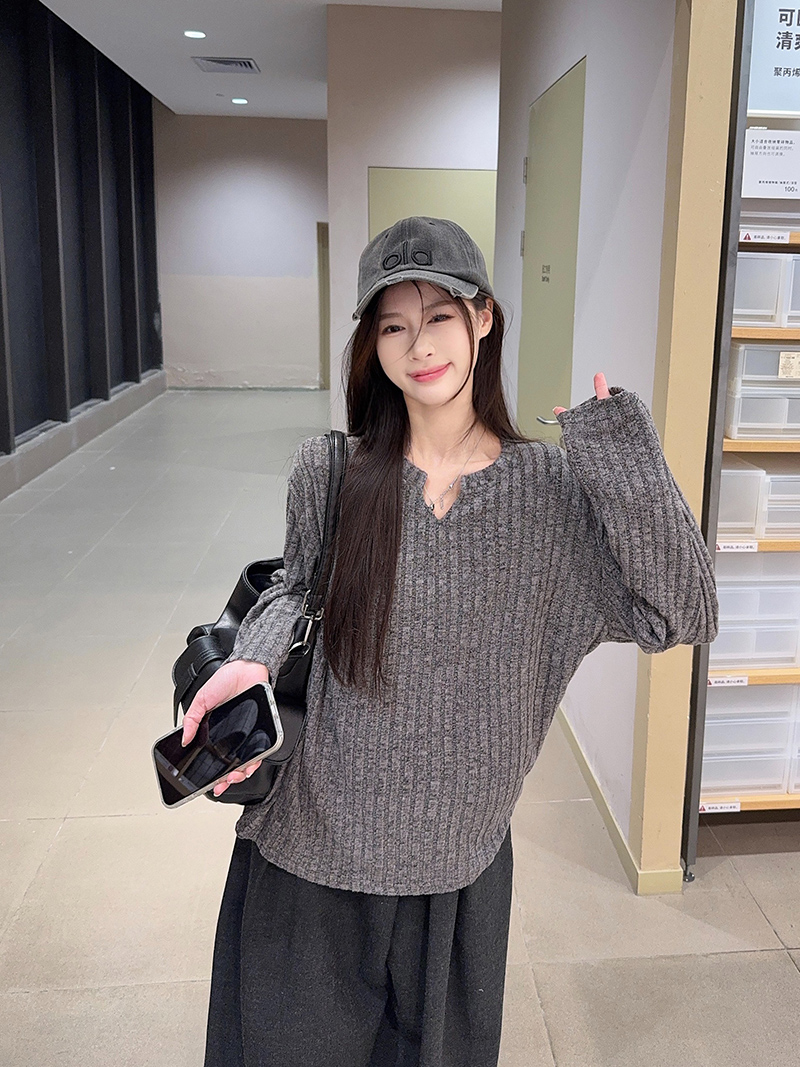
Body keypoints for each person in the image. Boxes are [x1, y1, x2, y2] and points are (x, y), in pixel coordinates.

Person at [182, 216, 719, 1067]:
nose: (419, 345)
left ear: (484, 318)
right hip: (309, 854)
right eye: (393, 325)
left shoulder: (549, 494)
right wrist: (253, 657)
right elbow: (295, 585)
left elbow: (683, 610)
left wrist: (621, 451)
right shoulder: (334, 469)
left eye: (438, 316)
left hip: (454, 873)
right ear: (373, 344)